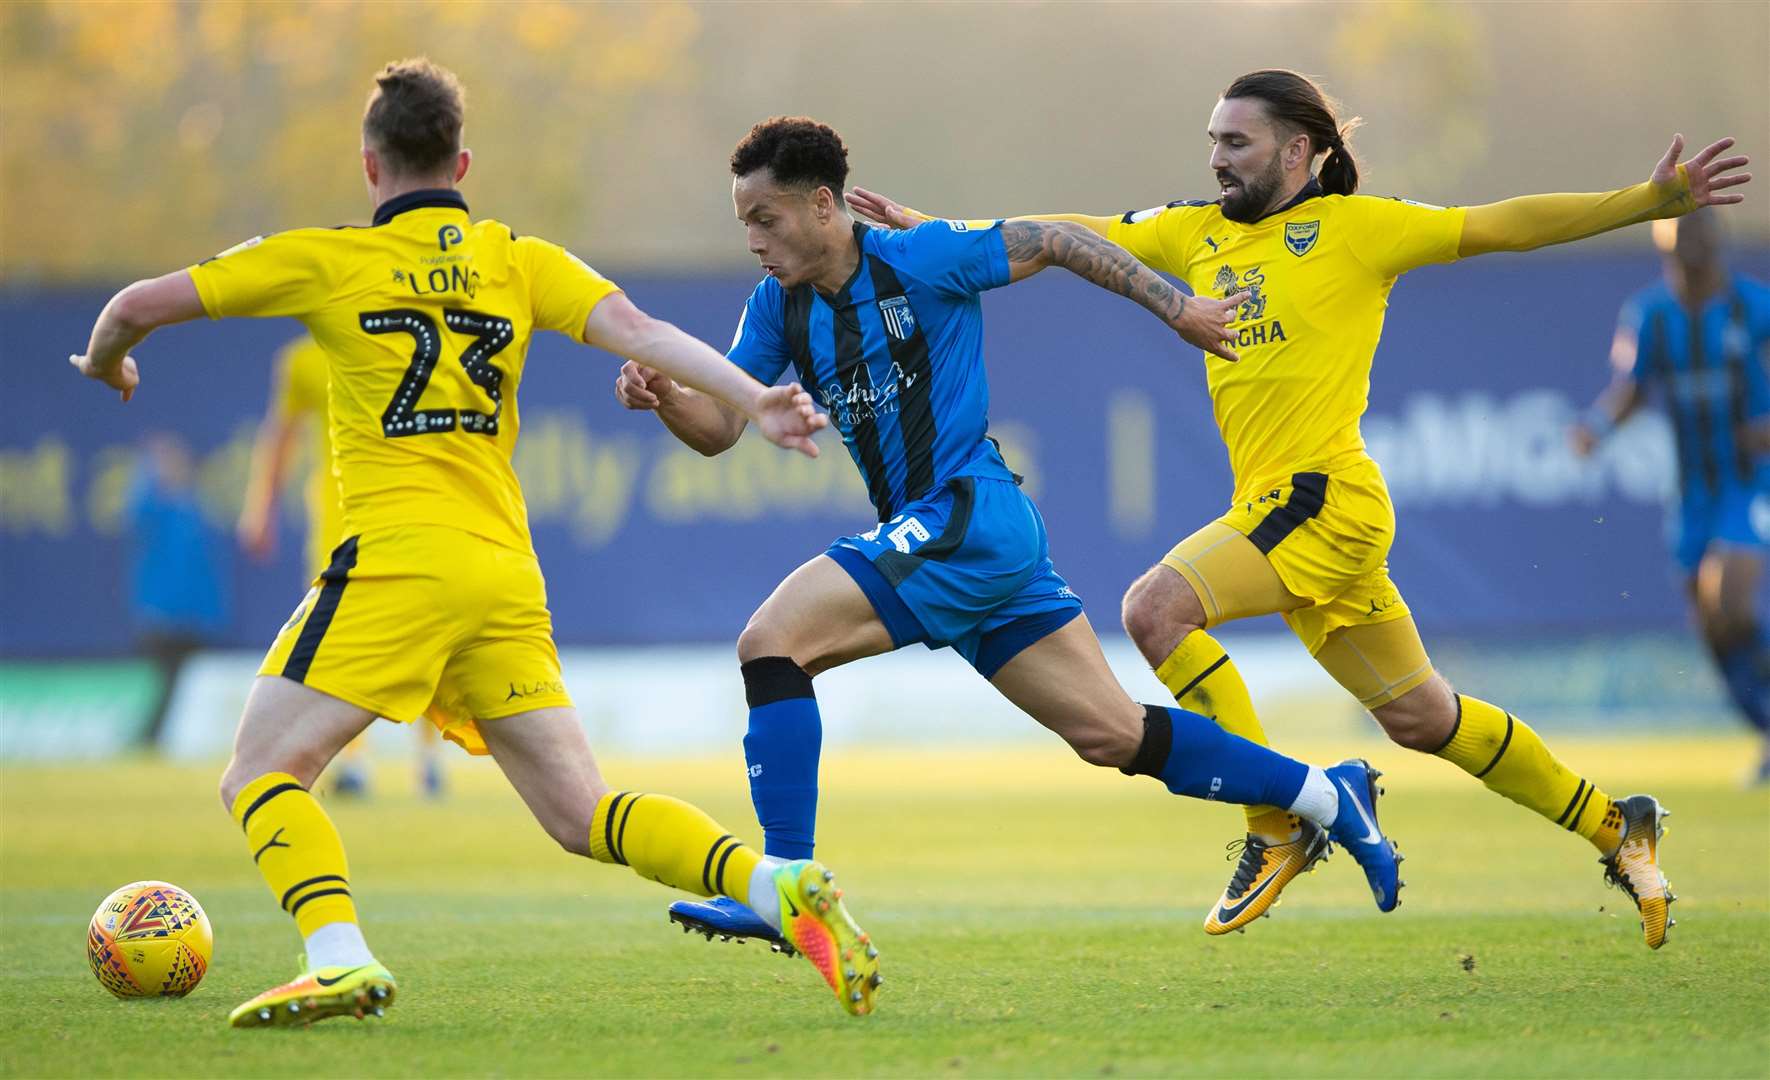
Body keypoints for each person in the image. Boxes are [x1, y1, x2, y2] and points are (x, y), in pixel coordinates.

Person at [846, 68, 1752, 950]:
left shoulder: (1360, 229)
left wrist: (1649, 200)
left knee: (1155, 609)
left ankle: (1277, 821)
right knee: (1423, 720)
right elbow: (1071, 232)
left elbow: (1503, 225)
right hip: (1294, 512)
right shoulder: (1194, 232)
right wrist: (940, 228)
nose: (1217, 158)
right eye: (1212, 141)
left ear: (1300, 151)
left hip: (1323, 496)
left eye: (1235, 142)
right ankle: (1616, 826)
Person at [68, 58, 880, 1027]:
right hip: (501, 571)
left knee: (260, 774)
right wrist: (754, 397)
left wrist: (109, 362)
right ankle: (768, 883)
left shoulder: (327, 259)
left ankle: (338, 957)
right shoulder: (516, 259)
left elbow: (134, 306)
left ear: (371, 167)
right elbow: (643, 331)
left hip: (398, 561)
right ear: (463, 160)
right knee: (584, 814)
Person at [616, 116, 1407, 954]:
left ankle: (784, 885)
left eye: (764, 219)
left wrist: (1178, 309)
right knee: (1115, 735)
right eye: (743, 222)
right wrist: (667, 395)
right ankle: (1327, 795)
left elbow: (1058, 240)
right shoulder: (778, 306)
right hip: (963, 538)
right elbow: (721, 428)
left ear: (822, 205)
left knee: (771, 643)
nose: (752, 241)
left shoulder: (920, 257)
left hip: (964, 515)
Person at [1572, 210, 1770, 785]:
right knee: (1712, 624)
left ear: (1717, 244)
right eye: (1682, 241)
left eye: (1702, 240)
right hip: (1691, 492)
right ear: (1665, 245)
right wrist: (1597, 429)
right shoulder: (1650, 316)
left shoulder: (1753, 310)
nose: (1693, 252)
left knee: (1729, 597)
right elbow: (1631, 391)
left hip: (1747, 481)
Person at [239, 334, 445, 798]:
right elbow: (282, 435)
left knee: (426, 632)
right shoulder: (303, 361)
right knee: (342, 644)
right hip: (337, 520)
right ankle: (355, 764)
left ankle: (429, 758)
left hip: (403, 511)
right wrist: (261, 508)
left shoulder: (402, 341)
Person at [127, 432, 229, 738]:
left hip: (192, 617)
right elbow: (135, 511)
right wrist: (148, 468)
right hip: (162, 615)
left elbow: (207, 568)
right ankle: (149, 737)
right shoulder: (154, 509)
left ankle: (162, 737)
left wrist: (213, 613)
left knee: (184, 683)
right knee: (166, 680)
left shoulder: (193, 509)